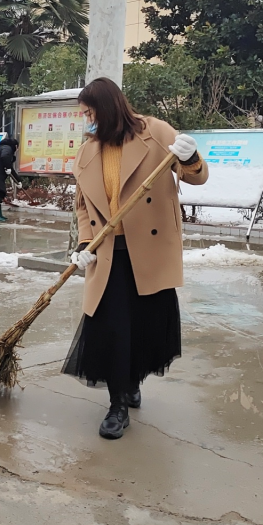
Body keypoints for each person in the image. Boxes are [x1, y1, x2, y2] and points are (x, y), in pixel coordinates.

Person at [61, 77, 208, 439]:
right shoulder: (87, 152)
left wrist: (190, 157)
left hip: (150, 252)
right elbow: (83, 206)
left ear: (108, 108)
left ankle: (131, 382)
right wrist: (84, 244)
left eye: (90, 112)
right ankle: (117, 406)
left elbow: (196, 178)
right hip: (109, 255)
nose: (87, 121)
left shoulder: (155, 132)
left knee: (145, 327)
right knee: (112, 329)